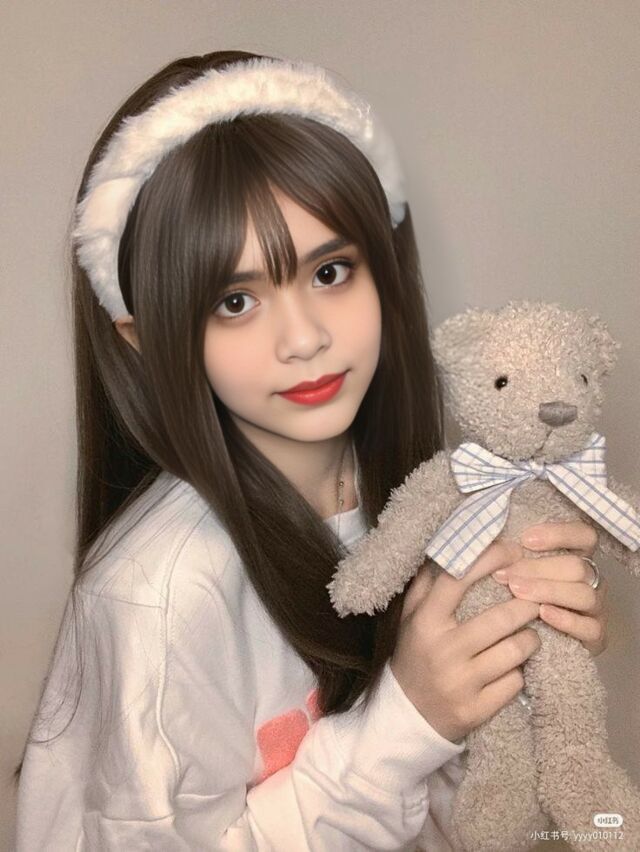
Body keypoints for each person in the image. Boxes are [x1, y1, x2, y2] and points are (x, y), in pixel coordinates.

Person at [14, 50, 609, 851]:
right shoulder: (157, 597)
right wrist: (405, 722)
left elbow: (468, 811)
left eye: (330, 272)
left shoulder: (417, 498)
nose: (303, 338)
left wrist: (524, 660)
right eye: (235, 300)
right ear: (145, 338)